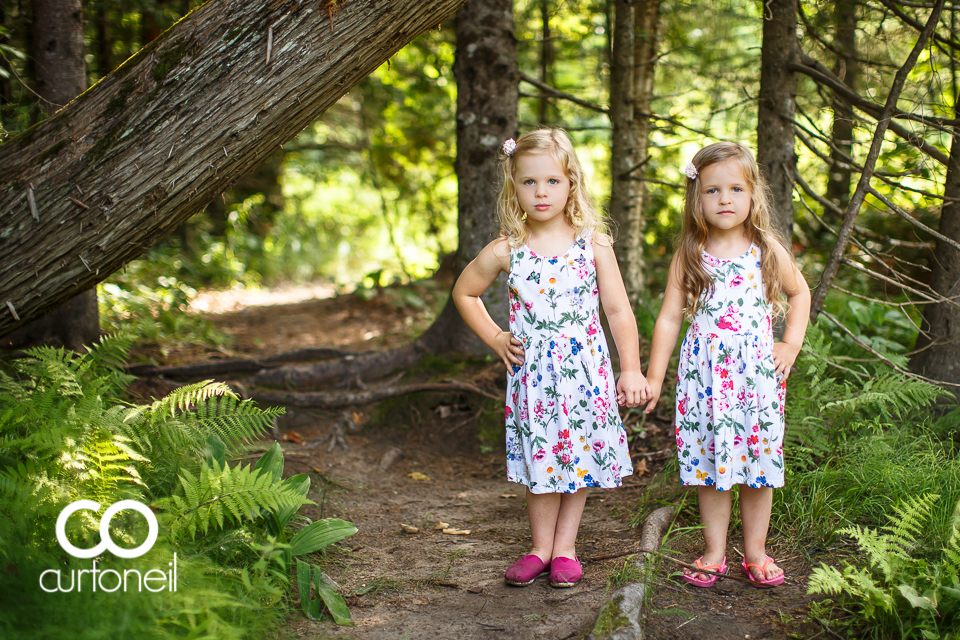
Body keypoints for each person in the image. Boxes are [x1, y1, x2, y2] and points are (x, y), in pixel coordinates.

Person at [452, 128, 650, 588]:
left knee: (577, 455)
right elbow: (465, 292)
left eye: (553, 182)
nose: (541, 192)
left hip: (585, 372)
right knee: (542, 457)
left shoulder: (592, 243)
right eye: (529, 182)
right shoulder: (508, 249)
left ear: (571, 184)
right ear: (514, 187)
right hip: (535, 377)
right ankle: (539, 548)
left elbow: (618, 309)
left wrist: (632, 367)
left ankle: (566, 548)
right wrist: (497, 337)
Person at [644, 142, 810, 588]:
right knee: (710, 466)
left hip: (756, 379)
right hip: (703, 380)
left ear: (753, 195)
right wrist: (655, 376)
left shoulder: (765, 248)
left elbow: (800, 293)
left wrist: (790, 344)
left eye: (736, 188)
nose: (724, 199)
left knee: (758, 468)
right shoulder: (691, 252)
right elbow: (667, 317)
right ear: (696, 198)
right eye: (713, 190)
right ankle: (714, 551)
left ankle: (755, 551)